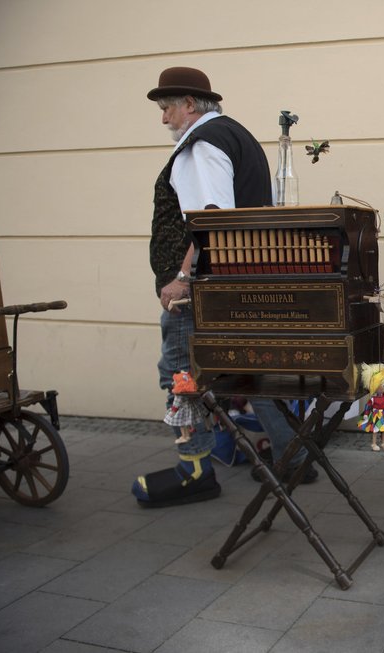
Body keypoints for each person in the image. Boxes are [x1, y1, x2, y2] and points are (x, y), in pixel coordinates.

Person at [133, 66, 316, 508]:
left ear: (190, 105)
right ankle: (293, 456)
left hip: (205, 288)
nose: (164, 119)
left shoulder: (201, 145)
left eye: (167, 108)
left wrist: (181, 279)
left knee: (180, 373)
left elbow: (212, 221)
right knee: (248, 367)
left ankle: (194, 469)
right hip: (237, 280)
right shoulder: (236, 135)